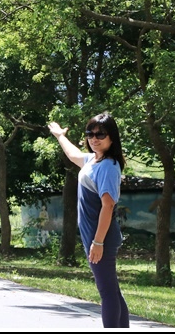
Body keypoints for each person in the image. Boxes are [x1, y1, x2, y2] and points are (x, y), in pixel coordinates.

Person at [48, 112, 130, 328]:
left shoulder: (108, 166)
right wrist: (60, 136)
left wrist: (98, 242)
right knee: (112, 291)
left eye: (100, 134)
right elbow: (74, 154)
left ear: (112, 137)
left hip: (101, 238)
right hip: (96, 237)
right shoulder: (94, 160)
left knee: (107, 293)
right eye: (90, 133)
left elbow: (108, 206)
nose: (94, 138)